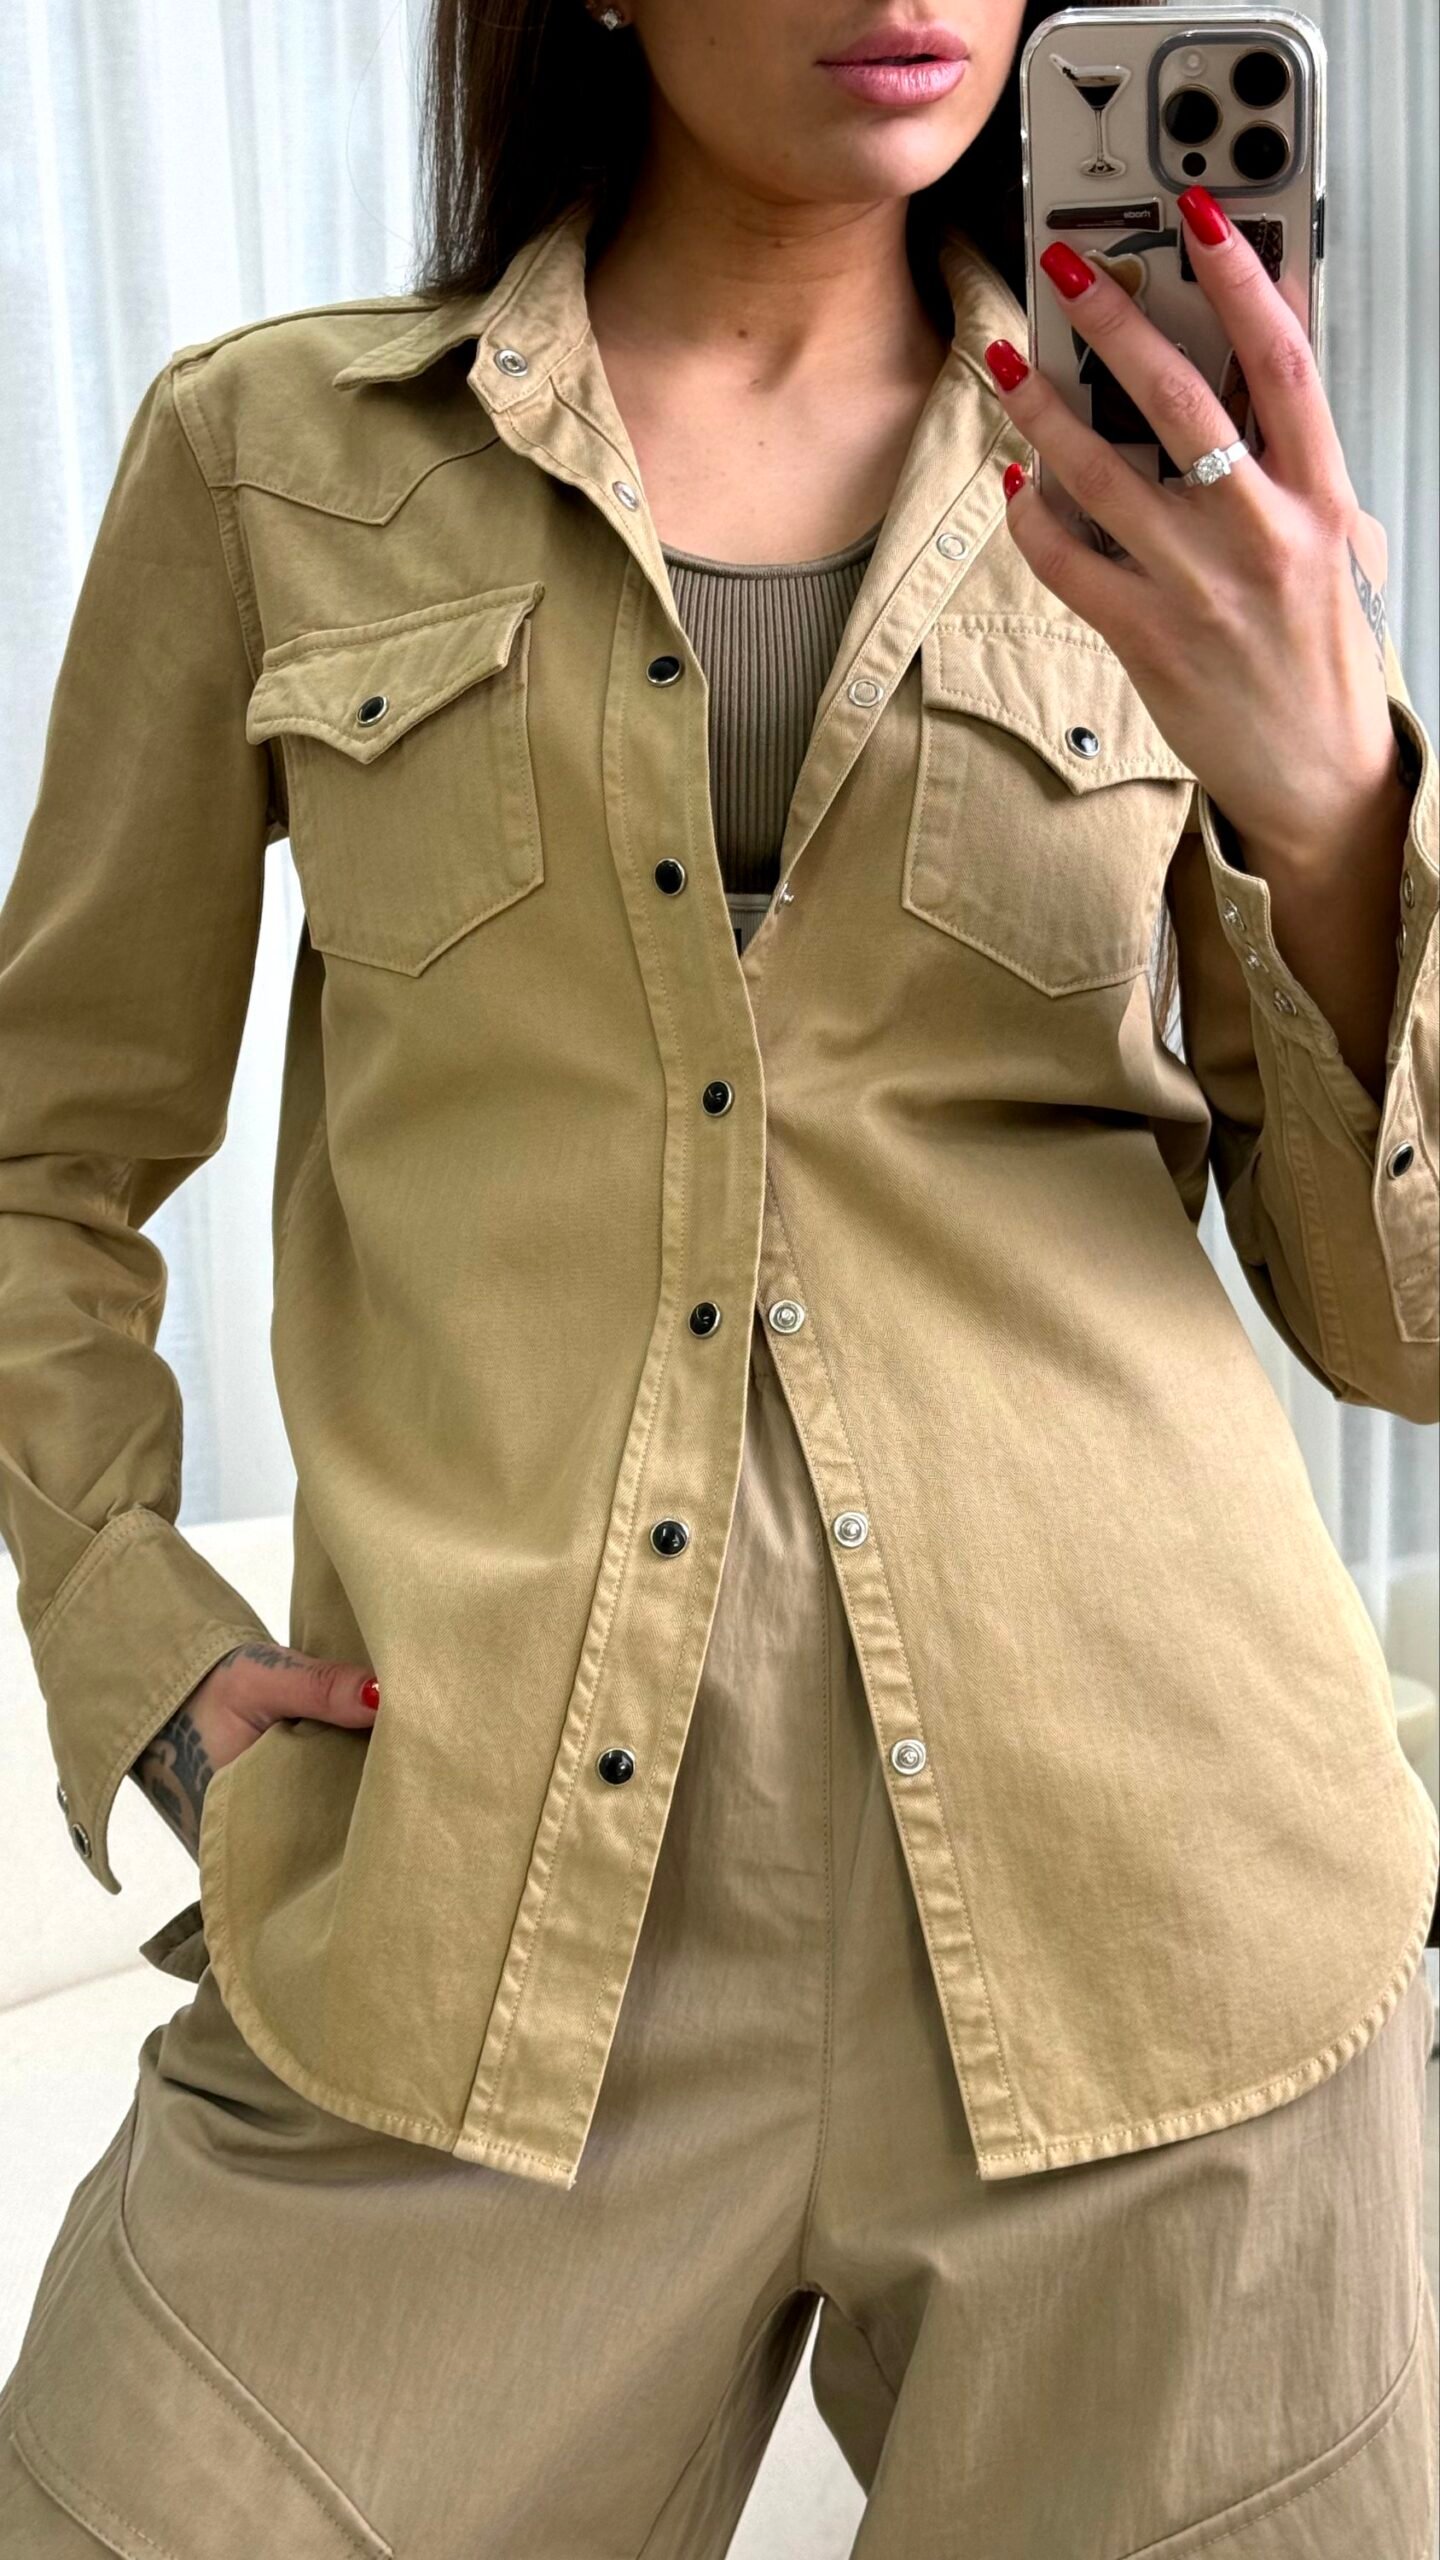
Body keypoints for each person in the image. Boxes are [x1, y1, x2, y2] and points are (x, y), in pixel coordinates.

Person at [1, 3, 1436, 2551]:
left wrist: (1334, 809)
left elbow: (1396, 1325)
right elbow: (39, 1153)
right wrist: (140, 1635)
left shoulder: (1169, 478)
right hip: (468, 1935)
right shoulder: (274, 456)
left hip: (1170, 1941)